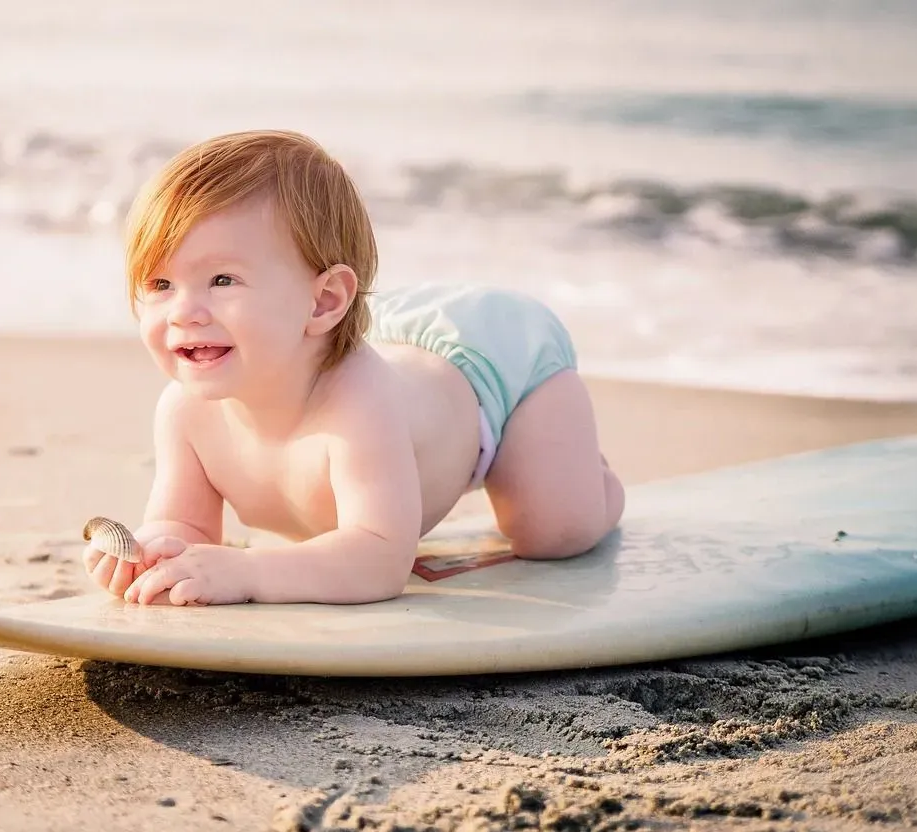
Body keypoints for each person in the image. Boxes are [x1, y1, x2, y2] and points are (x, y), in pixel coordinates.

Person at [82, 130, 624, 606]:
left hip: (498, 371)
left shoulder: (358, 402)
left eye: (222, 281)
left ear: (321, 303)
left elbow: (380, 559)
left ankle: (587, 469)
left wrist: (249, 571)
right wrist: (152, 551)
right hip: (403, 347)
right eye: (159, 285)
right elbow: (188, 526)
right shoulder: (185, 411)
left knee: (551, 534)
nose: (184, 312)